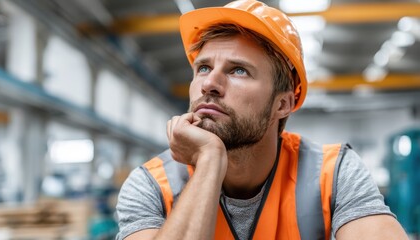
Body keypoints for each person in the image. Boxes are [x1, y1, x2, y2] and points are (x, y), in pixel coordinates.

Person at [116, 0, 408, 239]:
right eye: (203, 68)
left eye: (238, 70)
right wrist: (209, 160)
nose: (209, 84)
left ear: (283, 103)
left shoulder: (332, 175)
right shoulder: (152, 184)